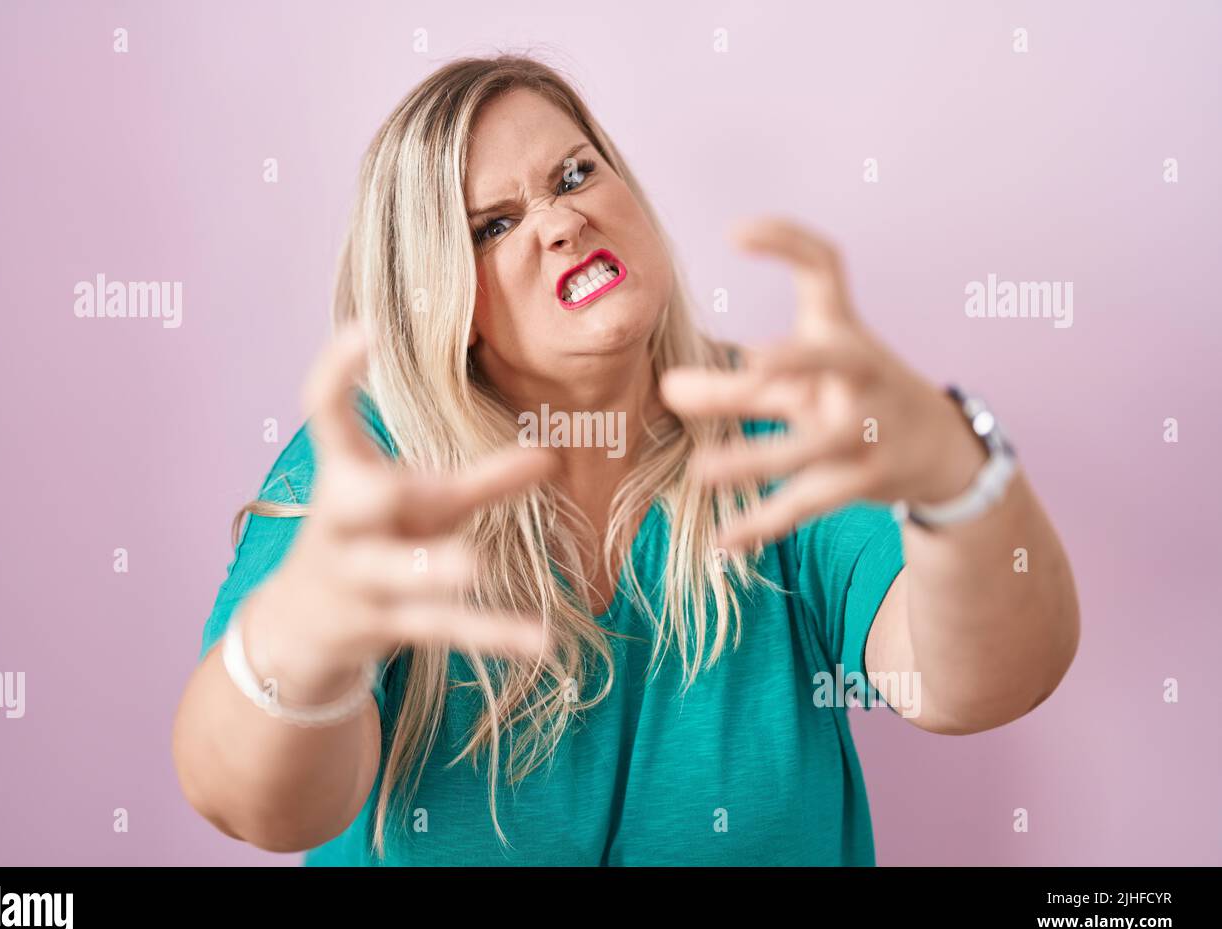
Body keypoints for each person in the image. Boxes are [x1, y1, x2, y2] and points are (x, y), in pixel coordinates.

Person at [171, 54, 1080, 866]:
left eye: (575, 173)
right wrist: (305, 638)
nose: (561, 220)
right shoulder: (368, 472)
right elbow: (257, 805)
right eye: (493, 225)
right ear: (436, 300)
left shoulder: (777, 428)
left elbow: (978, 686)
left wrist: (961, 485)